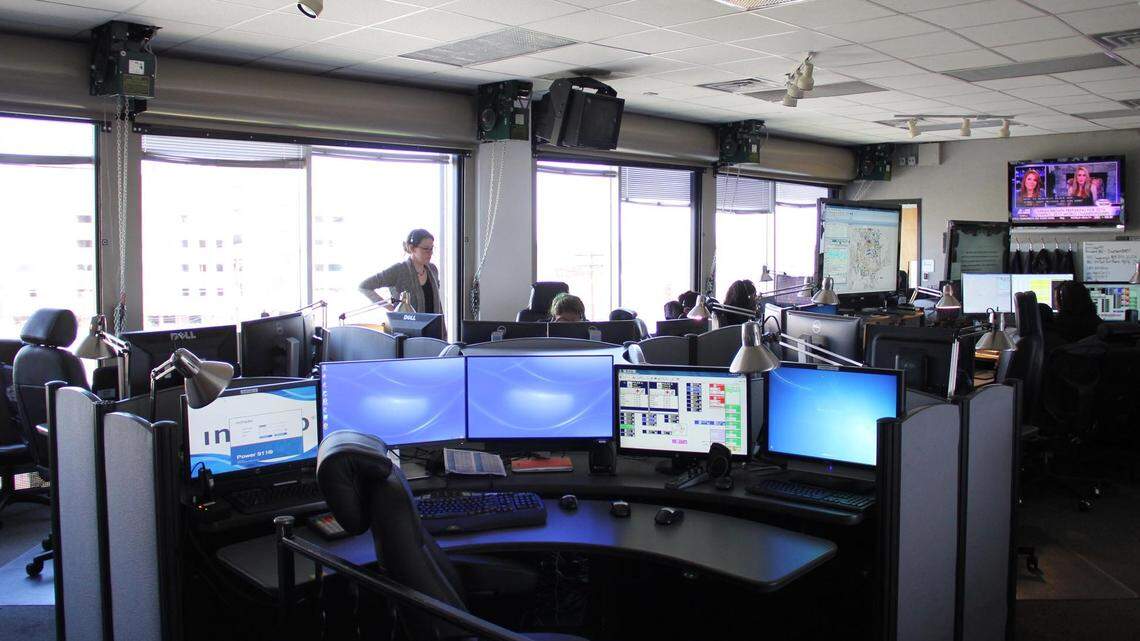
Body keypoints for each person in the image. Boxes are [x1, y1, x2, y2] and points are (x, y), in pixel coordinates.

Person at [358, 229, 445, 337]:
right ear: (412, 248)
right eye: (426, 249)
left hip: (434, 332)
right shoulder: (398, 270)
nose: (430, 253)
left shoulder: (433, 269)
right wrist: (392, 309)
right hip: (407, 335)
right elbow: (364, 286)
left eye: (432, 248)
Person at [1050, 281, 1101, 346]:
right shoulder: (1098, 325)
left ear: (1063, 303)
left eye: (1056, 300)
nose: (1056, 304)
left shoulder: (1059, 330)